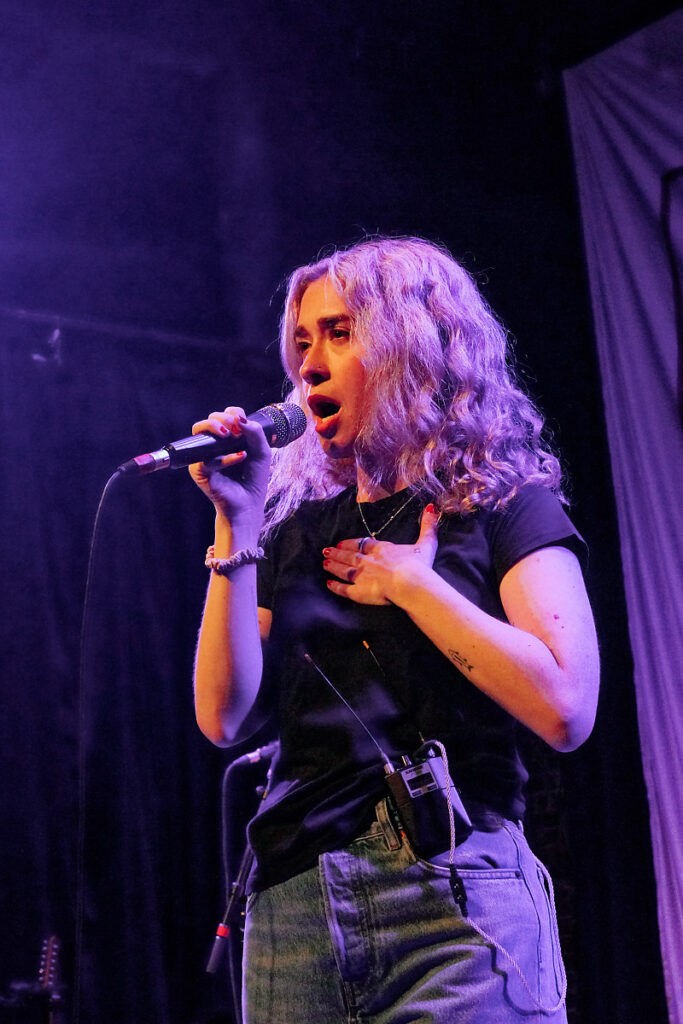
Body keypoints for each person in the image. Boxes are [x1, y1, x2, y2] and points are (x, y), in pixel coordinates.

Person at [190, 237, 599, 1024]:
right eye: (301, 342)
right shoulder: (293, 533)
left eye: (339, 334)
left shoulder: (502, 508)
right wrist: (234, 522)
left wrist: (414, 587)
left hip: (455, 894)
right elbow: (223, 716)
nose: (309, 365)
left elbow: (565, 706)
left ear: (414, 346)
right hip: (298, 907)